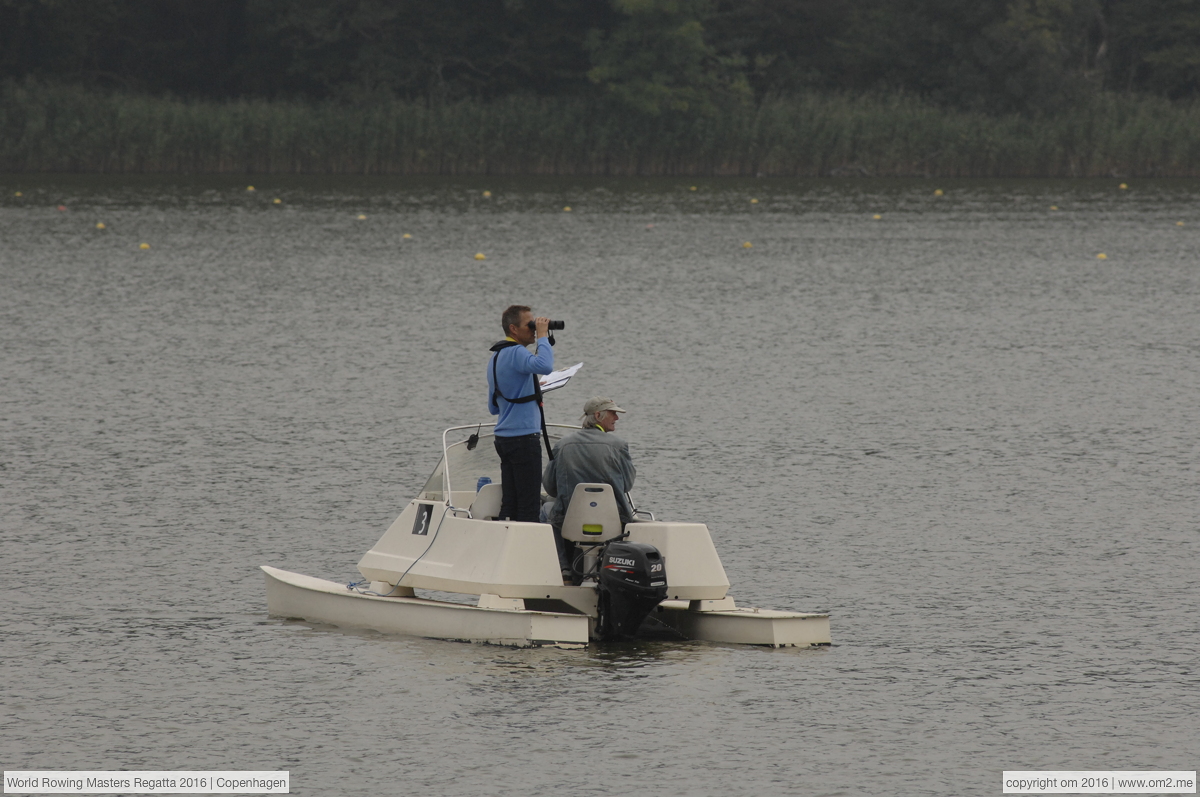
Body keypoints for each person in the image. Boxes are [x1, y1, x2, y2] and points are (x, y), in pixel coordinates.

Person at [542, 397, 636, 574]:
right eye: (613, 413)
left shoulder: (562, 445)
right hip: (613, 521)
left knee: (546, 508)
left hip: (570, 522)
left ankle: (563, 569)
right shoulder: (619, 446)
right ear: (598, 415)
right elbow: (627, 485)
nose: (617, 418)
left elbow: (550, 488)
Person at [487, 304, 554, 523]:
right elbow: (545, 365)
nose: (534, 329)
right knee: (528, 505)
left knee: (510, 503)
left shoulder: (495, 357)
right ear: (513, 329)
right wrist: (544, 336)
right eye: (530, 325)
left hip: (504, 439)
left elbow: (494, 407)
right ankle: (527, 554)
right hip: (524, 439)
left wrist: (523, 391)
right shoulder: (516, 352)